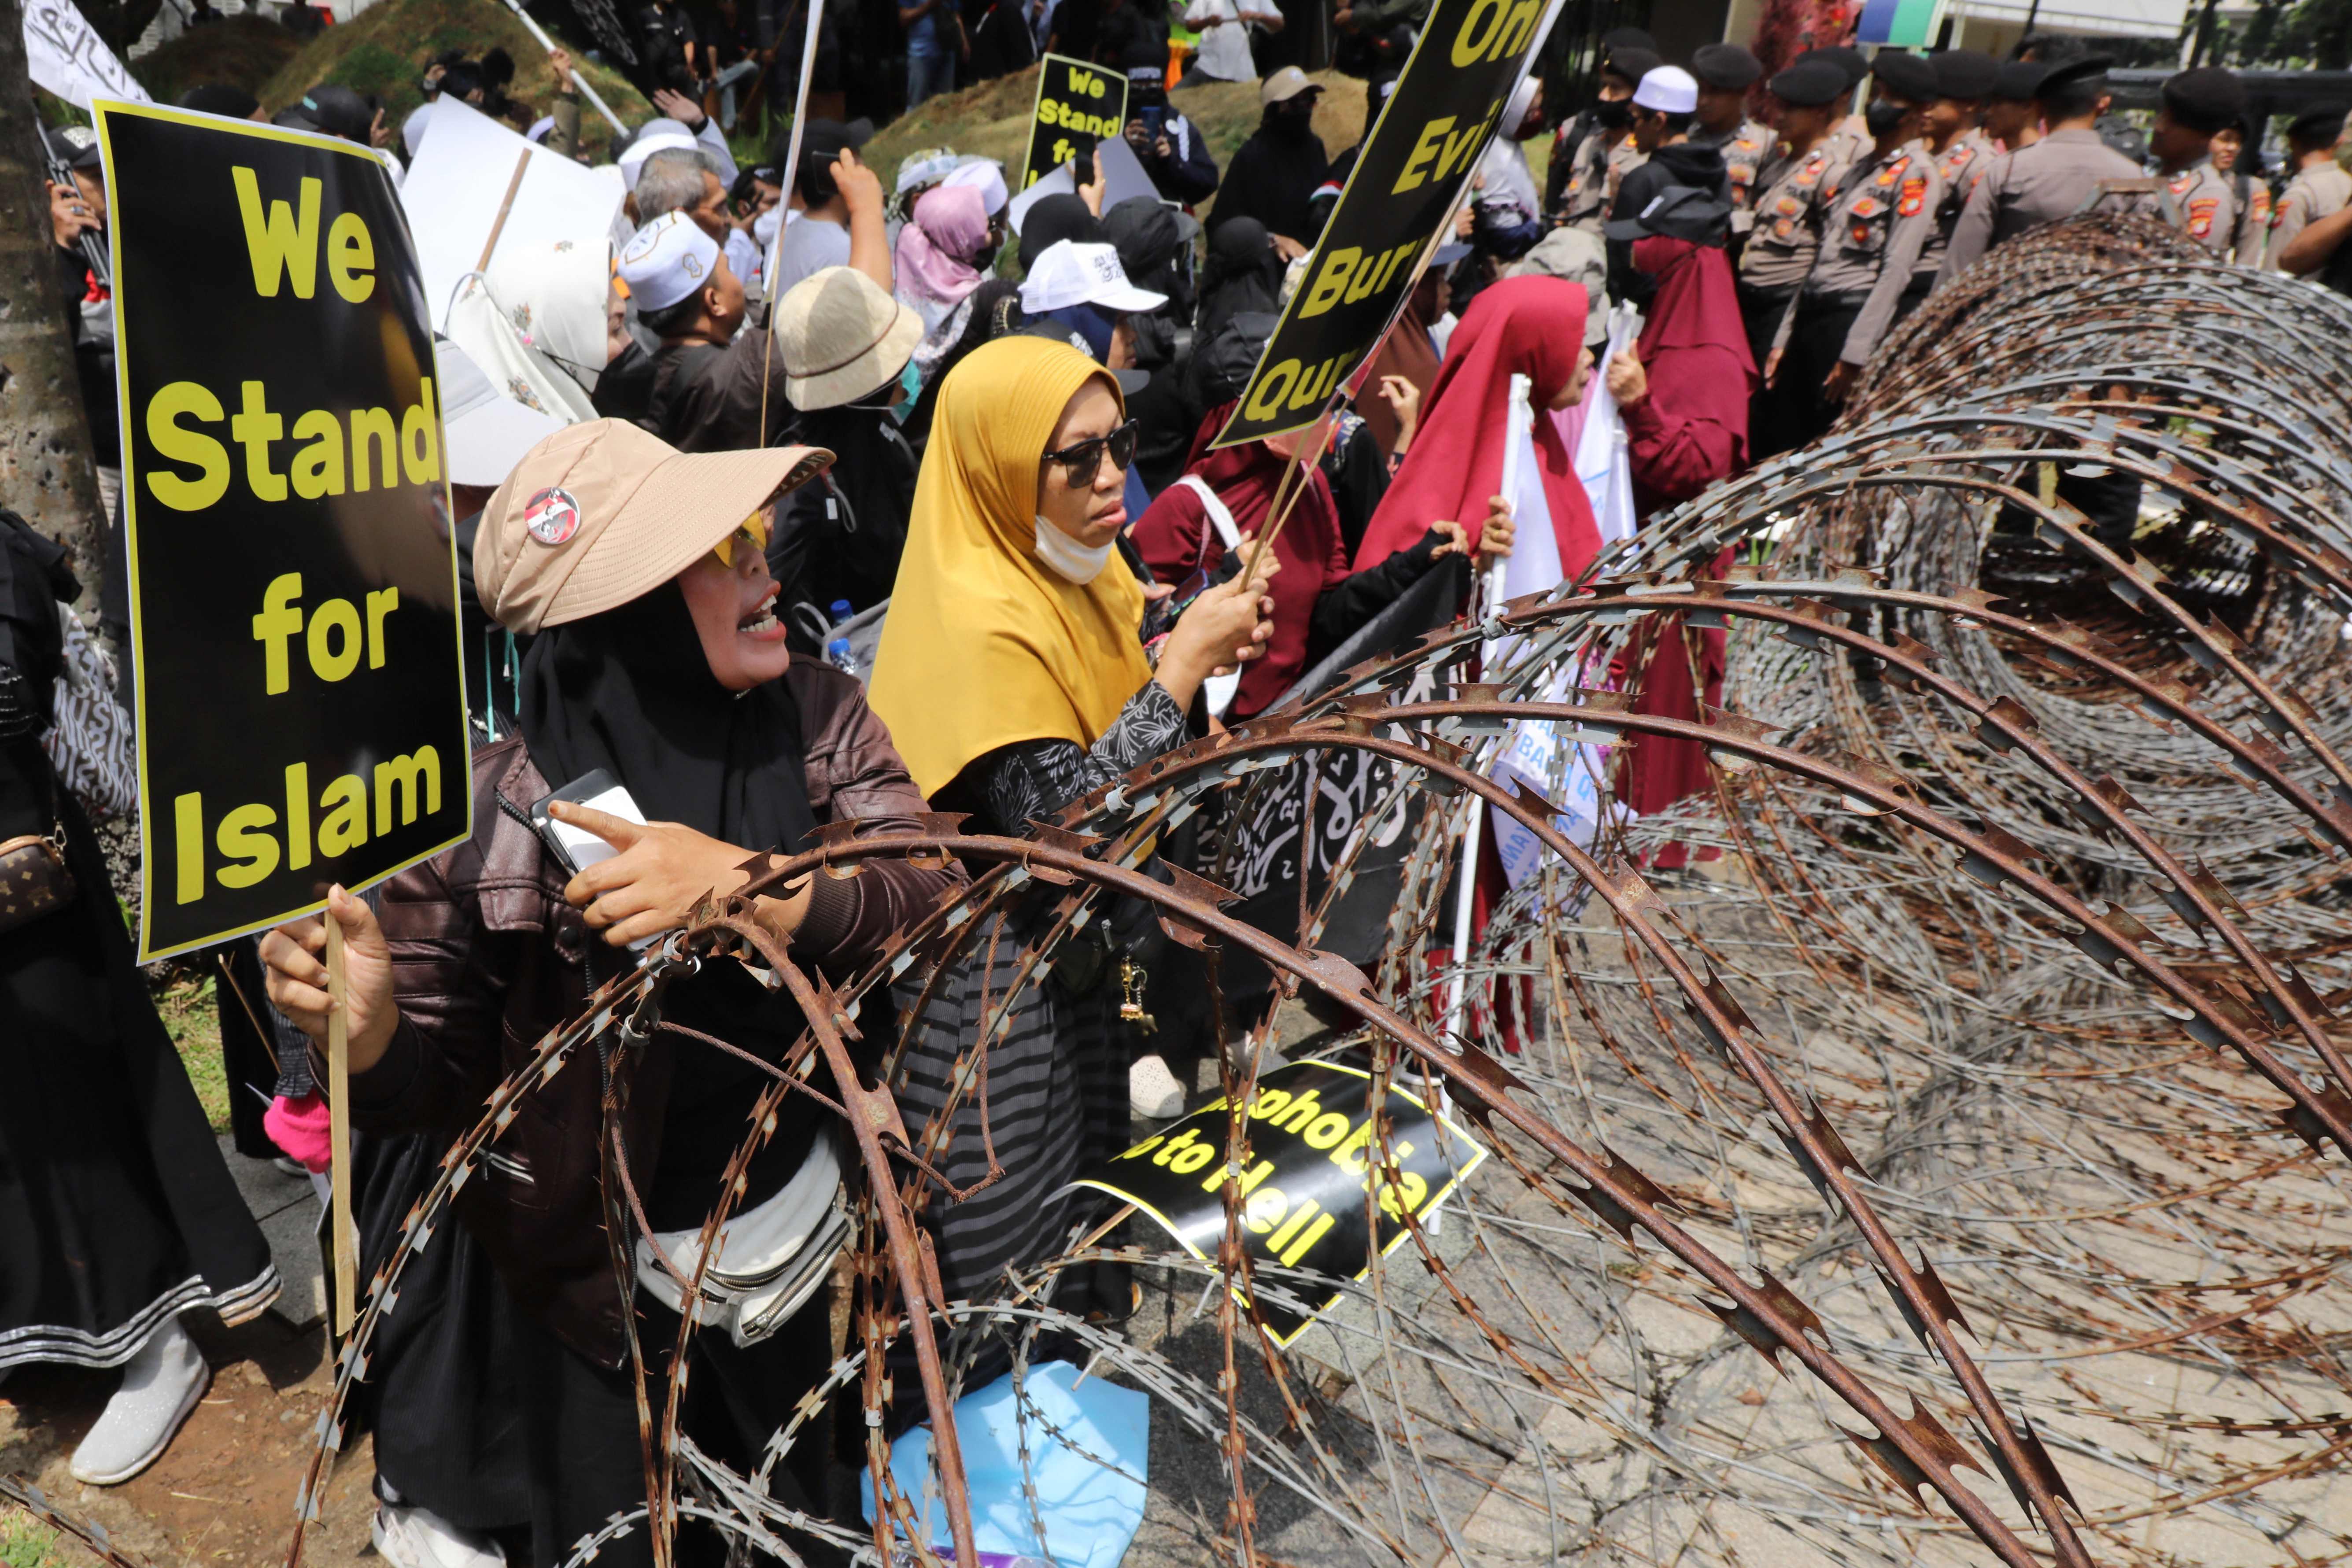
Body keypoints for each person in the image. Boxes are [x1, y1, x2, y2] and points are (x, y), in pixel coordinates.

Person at [261, 421, 960, 1568]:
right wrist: (369, 1027)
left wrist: (752, 891)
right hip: (597, 1289)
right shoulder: (494, 814)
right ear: (619, 607)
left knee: (798, 1512)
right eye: (725, 547)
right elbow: (433, 1089)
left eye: (754, 535)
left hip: (791, 1238)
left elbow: (930, 885)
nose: (765, 565)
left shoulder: (821, 718)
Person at [867, 336, 1276, 1295]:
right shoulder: (975, 619)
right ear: (1000, 467)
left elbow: (1117, 693)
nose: (1112, 478)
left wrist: (1196, 637)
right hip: (991, 1002)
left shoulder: (1082, 569)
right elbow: (1069, 831)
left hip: (1078, 974)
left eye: (1121, 444)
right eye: (1076, 457)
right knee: (1007, 1262)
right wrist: (1178, 671)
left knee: (1086, 1224)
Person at [2, 508, 280, 1485]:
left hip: (24, 893)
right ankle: (46, 1333)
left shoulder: (4, 557)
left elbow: (50, 718)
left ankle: (151, 1339)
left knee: (65, 1118)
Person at [1599, 188, 1754, 858]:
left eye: (1649, 241)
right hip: (1658, 545)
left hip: (1682, 555)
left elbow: (1699, 462)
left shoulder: (1709, 354)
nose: (1636, 253)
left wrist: (1640, 407)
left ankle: (1663, 835)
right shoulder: (1675, 319)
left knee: (1671, 695)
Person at [1351, 277, 1600, 585]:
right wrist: (1477, 572)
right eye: (1574, 344)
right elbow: (1411, 604)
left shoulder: (1541, 441)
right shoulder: (1442, 477)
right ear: (1530, 351)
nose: (1588, 357)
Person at [1765, 49, 1940, 444]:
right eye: (1877, 93)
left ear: (1917, 111)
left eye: (1891, 98)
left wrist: (1856, 353)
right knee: (1780, 435)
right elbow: (1820, 257)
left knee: (1819, 438)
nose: (1878, 105)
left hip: (1845, 320)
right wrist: (1783, 337)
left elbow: (1896, 269)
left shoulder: (1916, 175)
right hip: (1811, 312)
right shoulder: (1858, 169)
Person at [771, 266, 927, 621]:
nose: (906, 372)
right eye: (895, 366)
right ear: (868, 387)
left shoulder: (878, 426)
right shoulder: (802, 478)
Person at [1935, 55, 2147, 288]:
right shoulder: (2133, 177)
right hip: (2091, 315)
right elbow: (2136, 265)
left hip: (2008, 311)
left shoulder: (2007, 169)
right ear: (2103, 105)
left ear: (2040, 108)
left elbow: (1962, 261)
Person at [1737, 59, 1850, 457]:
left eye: (1791, 108)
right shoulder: (1779, 162)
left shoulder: (1832, 172)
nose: (1779, 116)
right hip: (1751, 298)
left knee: (1772, 412)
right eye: (1778, 106)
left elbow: (1826, 253)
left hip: (1784, 304)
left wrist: (1786, 330)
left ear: (1820, 113)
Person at [623, 212, 793, 452]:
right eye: (729, 269)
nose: (738, 281)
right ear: (714, 301)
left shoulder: (637, 392)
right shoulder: (752, 366)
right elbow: (852, 323)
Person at [1608, 66, 1728, 307]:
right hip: (1701, 303)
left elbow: (1620, 258)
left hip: (1646, 313)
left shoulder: (1642, 179)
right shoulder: (1719, 174)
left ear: (1659, 121)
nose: (1633, 132)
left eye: (1636, 120)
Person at [1207, 67, 1330, 259]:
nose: (1304, 109)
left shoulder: (1315, 147)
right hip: (1263, 271)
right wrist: (1272, 240)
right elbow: (1224, 227)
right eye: (1295, 103)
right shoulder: (1252, 156)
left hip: (1308, 266)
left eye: (1309, 100)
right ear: (1274, 109)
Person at [1910, 49, 1999, 303]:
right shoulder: (1918, 154)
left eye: (1935, 102)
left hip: (1929, 287)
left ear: (1969, 104)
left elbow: (1973, 244)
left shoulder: (1980, 163)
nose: (1924, 110)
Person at [773, 121, 888, 301]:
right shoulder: (843, 250)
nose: (865, 168)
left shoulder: (796, 228)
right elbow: (876, 313)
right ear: (835, 173)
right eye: (856, 159)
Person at [1551, 44, 1658, 232]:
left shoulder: (1647, 156)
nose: (1603, 96)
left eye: (1615, 88)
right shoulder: (1589, 143)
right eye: (1604, 86)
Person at [2152, 65, 2245, 255]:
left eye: (2172, 122)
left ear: (2205, 136)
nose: (2159, 127)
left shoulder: (2208, 193)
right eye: (2162, 116)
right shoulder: (2162, 177)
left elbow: (2192, 271)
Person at [1121, 51, 1220, 204]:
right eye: (1136, 90)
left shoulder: (1181, 127)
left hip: (1168, 216)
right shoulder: (1114, 123)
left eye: (1152, 89)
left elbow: (1208, 182)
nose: (1145, 95)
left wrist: (1171, 160)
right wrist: (1123, 145)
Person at [895, 183, 993, 336]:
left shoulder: (900, 272)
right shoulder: (987, 299)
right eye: (987, 228)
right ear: (962, 240)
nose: (991, 236)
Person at [1688, 44, 1771, 223]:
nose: (1703, 101)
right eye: (1701, 91)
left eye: (1715, 93)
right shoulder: (1685, 137)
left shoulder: (1765, 143)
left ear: (1741, 93)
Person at [2267, 105, 2352, 272]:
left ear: (2292, 142)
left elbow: (2275, 273)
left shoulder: (2301, 194)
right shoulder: (2348, 183)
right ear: (2338, 142)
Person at [2209, 117, 2272, 266]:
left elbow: (2249, 254)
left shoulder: (2249, 188)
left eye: (2238, 142)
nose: (2232, 148)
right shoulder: (2178, 180)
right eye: (2224, 139)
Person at [1181, 0, 1279, 84]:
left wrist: (1259, 17)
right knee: (1175, 99)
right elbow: (1190, 25)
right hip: (1208, 67)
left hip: (1242, 71)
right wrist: (1208, 21)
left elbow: (1279, 24)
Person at [901, 0, 960, 108]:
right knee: (916, 106)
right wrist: (929, 5)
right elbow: (903, 18)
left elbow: (956, 14)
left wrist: (963, 40)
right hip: (922, 53)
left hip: (947, 51)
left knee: (944, 106)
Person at [1981, 59, 2047, 152]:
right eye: (1989, 104)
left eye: (1998, 103)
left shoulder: (2042, 160)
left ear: (2027, 106)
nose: (1989, 113)